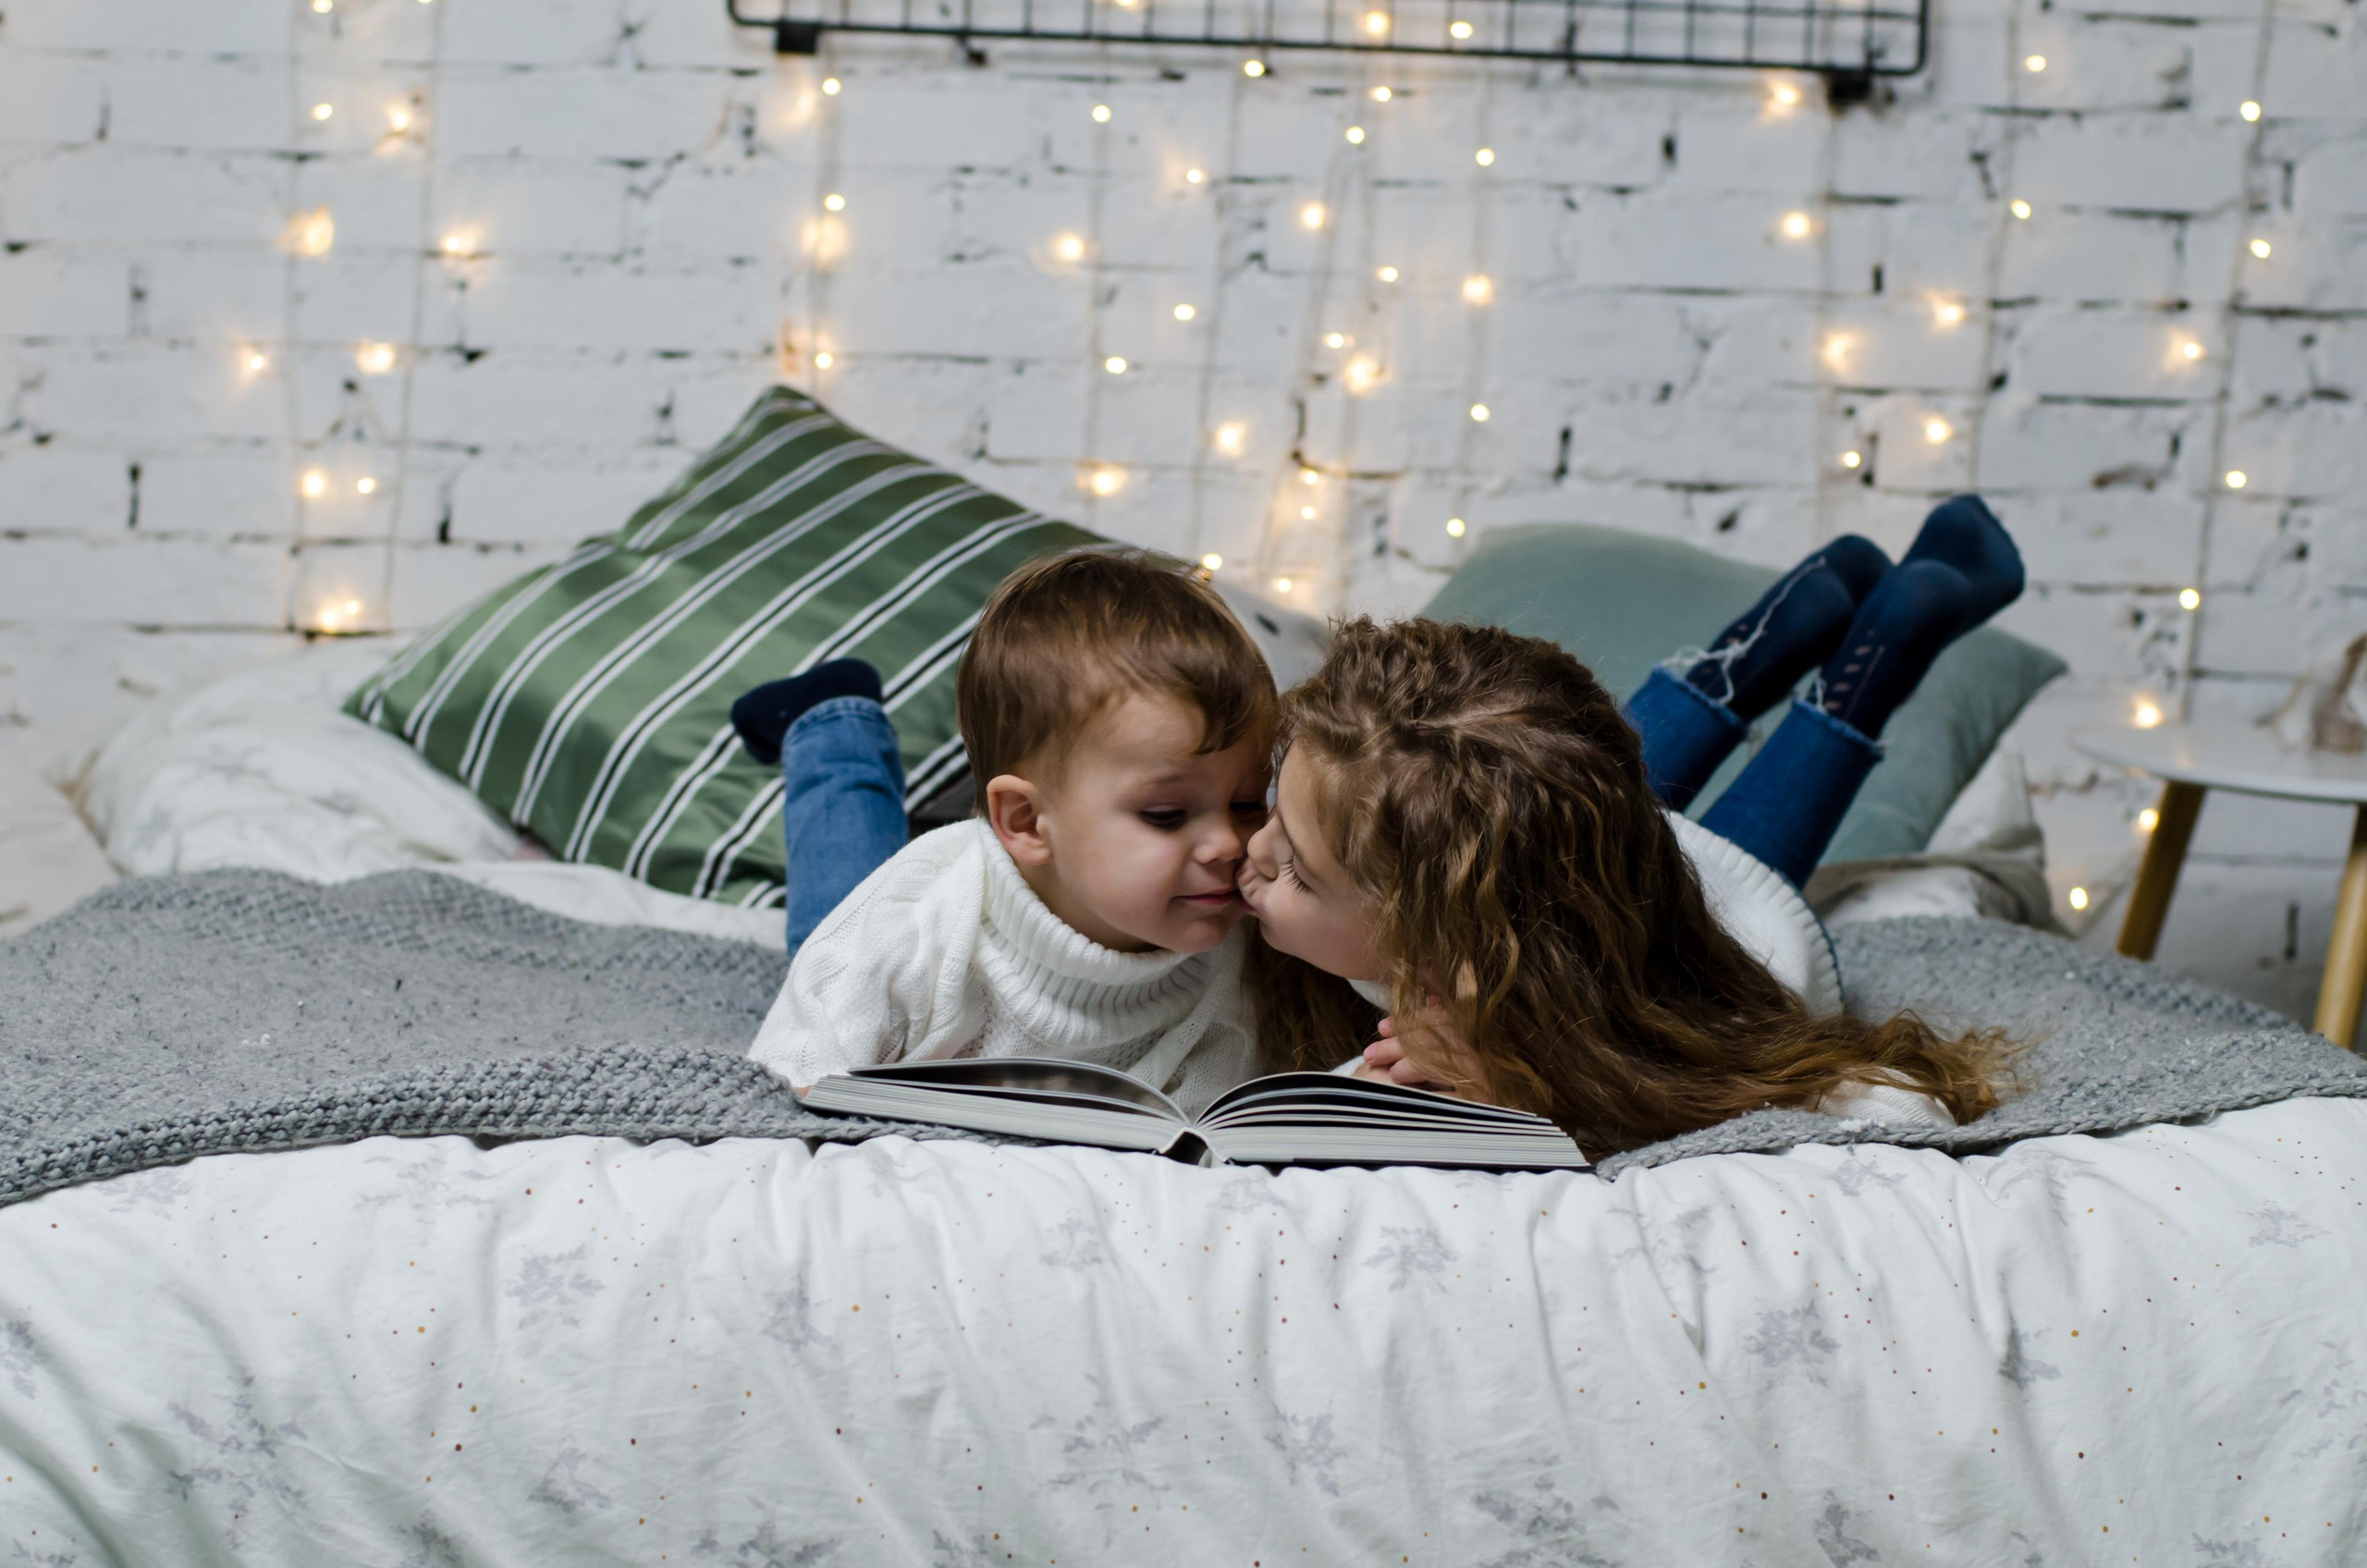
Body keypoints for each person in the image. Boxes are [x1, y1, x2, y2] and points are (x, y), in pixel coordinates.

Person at [1237, 497, 2025, 1155]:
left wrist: (1516, 1094)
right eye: (1273, 803)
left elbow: (1896, 1110)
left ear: (1441, 936)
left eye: (1300, 869)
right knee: (1534, 767)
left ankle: (1880, 655)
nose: (1253, 848)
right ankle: (1753, 648)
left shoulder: (1574, 1026)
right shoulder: (1475, 859)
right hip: (1571, 851)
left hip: (1734, 921)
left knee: (1552, 790)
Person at [731, 549, 1278, 1114]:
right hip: (931, 896)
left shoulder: (1243, 939)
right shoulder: (908, 926)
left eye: (1246, 802)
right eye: (1166, 814)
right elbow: (784, 1093)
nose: (1230, 844)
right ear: (1026, 821)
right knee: (835, 897)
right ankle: (833, 722)